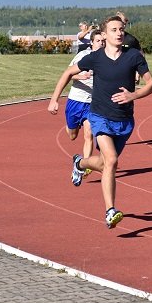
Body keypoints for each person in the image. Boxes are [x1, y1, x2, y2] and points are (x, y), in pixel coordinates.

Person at [48, 16, 152, 228]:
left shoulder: (133, 56)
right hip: (99, 116)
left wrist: (134, 96)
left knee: (104, 163)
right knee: (112, 160)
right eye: (114, 29)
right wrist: (54, 99)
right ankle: (110, 210)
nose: (119, 33)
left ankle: (79, 163)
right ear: (104, 35)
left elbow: (151, 84)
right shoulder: (95, 57)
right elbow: (69, 72)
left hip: (124, 120)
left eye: (121, 29)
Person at [57, 30, 104, 187]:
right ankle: (71, 126)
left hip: (91, 103)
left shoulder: (106, 58)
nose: (101, 43)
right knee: (72, 135)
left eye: (103, 41)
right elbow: (68, 73)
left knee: (89, 135)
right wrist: (80, 76)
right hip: (76, 101)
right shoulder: (83, 56)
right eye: (98, 41)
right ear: (91, 42)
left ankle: (82, 166)